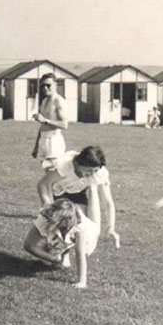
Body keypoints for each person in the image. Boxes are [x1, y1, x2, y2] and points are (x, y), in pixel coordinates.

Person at [37, 146, 120, 255]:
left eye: (95, 170)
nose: (92, 174)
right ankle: (59, 253)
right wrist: (48, 206)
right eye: (89, 170)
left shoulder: (99, 172)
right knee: (61, 225)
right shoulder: (65, 165)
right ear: (79, 164)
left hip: (78, 193)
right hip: (58, 192)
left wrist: (111, 227)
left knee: (79, 225)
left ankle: (67, 252)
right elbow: (43, 184)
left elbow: (108, 201)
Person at [23, 191, 101, 289]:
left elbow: (80, 255)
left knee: (84, 250)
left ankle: (64, 252)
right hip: (64, 231)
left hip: (90, 234)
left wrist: (82, 282)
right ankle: (62, 254)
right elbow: (28, 245)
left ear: (66, 223)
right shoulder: (46, 216)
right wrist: (54, 259)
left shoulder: (81, 228)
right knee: (48, 258)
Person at [32, 74, 68, 202]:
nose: (45, 88)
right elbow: (42, 126)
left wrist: (46, 120)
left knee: (55, 179)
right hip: (44, 141)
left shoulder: (58, 101)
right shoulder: (44, 101)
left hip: (54, 141)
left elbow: (65, 124)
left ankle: (62, 208)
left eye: (49, 85)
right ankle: (51, 207)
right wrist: (36, 146)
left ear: (55, 85)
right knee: (48, 177)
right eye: (43, 86)